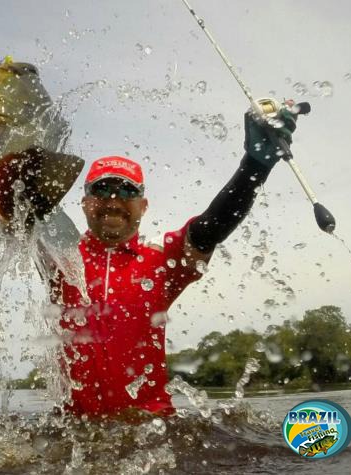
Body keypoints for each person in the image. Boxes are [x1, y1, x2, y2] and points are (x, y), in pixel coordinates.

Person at [50, 105, 299, 418]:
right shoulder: (59, 255)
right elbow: (12, 201)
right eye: (101, 189)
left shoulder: (161, 259)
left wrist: (254, 166)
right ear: (85, 202)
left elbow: (211, 227)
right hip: (73, 430)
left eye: (127, 191)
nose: (113, 200)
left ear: (143, 206)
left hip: (151, 428)